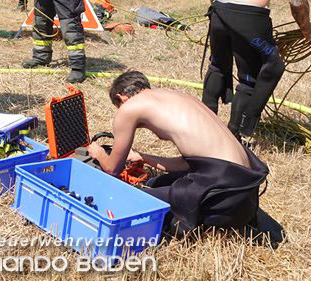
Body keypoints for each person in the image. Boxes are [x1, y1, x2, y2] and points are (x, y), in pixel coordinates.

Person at [87, 70, 269, 236]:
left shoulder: (129, 107)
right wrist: (144, 158)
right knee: (154, 183)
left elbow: (112, 169)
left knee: (137, 199)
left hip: (221, 195)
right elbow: (193, 163)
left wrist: (99, 153)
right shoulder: (177, 97)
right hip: (243, 194)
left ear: (122, 97)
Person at [203, 0, 311, 137]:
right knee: (264, 69)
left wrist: (221, 15)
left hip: (219, 11)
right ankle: (236, 133)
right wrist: (307, 29)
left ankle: (203, 125)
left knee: (218, 66)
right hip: (250, 17)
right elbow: (297, 0)